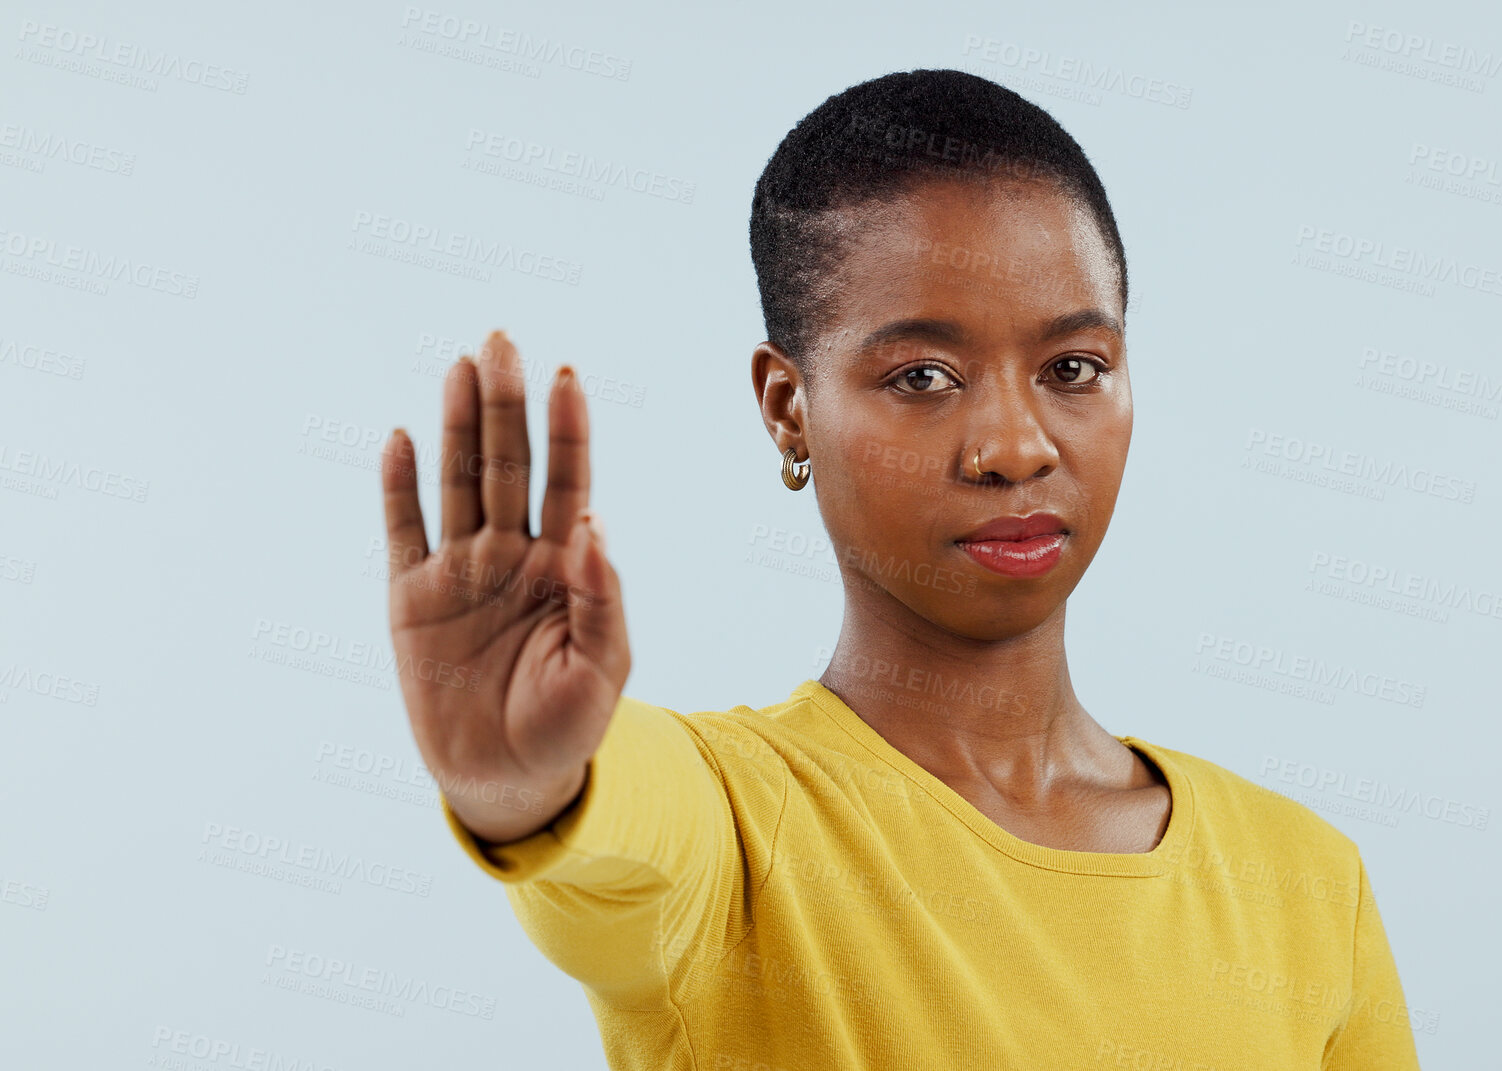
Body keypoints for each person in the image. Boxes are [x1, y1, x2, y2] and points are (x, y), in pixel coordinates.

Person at [378, 68, 1422, 1070]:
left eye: (1073, 369)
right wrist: (525, 784)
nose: (1014, 447)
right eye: (922, 376)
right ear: (789, 408)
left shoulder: (1303, 880)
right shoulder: (736, 830)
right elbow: (619, 826)